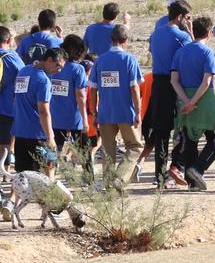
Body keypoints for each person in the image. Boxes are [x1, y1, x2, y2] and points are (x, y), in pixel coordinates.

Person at [170, 16, 215, 191]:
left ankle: (192, 183)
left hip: (184, 98)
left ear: (193, 31)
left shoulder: (180, 52)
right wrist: (194, 101)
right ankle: (198, 168)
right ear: (210, 33)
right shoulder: (208, 52)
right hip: (204, 99)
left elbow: (174, 80)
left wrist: (186, 101)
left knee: (189, 138)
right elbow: (206, 81)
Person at [142, 0, 191, 188]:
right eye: (186, 18)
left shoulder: (155, 34)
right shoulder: (183, 37)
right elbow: (189, 58)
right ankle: (177, 166)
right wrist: (190, 34)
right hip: (176, 82)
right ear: (179, 17)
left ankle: (159, 176)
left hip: (158, 83)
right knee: (182, 128)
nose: (187, 21)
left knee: (161, 132)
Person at [89, 24, 144, 189]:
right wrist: (138, 112)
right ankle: (119, 179)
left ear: (111, 39)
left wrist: (94, 111)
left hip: (105, 111)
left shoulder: (100, 60)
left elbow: (92, 89)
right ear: (125, 40)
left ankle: (107, 184)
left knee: (108, 150)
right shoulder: (129, 60)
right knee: (135, 146)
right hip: (125, 111)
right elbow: (134, 87)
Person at [10, 46, 60, 176]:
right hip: (39, 135)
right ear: (49, 60)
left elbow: (16, 99)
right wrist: (50, 138)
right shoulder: (44, 80)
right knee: (49, 166)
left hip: (20, 131)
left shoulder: (23, 72)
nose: (59, 70)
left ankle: (15, 197)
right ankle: (49, 196)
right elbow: (43, 111)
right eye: (58, 66)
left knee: (22, 174)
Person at [50, 35, 92, 172]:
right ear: (76, 51)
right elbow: (80, 96)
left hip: (55, 117)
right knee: (84, 151)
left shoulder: (54, 67)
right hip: (75, 118)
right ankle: (89, 181)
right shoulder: (77, 69)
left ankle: (48, 179)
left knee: (53, 152)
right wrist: (85, 120)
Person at [0, 26, 24, 176]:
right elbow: (25, 76)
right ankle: (5, 176)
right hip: (7, 108)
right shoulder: (11, 57)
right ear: (9, 40)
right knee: (5, 145)